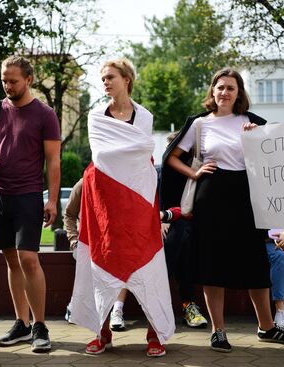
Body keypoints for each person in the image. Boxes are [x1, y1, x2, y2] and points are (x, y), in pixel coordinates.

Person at [162, 67, 284, 353]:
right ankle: (218, 331)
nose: (225, 92)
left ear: (239, 93)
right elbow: (171, 157)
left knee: (255, 262)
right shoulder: (200, 124)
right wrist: (194, 172)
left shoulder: (252, 122)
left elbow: (275, 160)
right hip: (211, 198)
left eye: (231, 88)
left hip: (247, 198)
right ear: (212, 91)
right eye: (220, 87)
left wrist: (256, 139)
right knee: (213, 264)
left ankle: (267, 327)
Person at [70, 58, 175, 357]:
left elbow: (140, 152)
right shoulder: (95, 116)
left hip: (138, 199)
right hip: (101, 200)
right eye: (102, 78)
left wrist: (122, 155)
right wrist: (123, 154)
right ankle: (101, 333)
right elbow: (102, 155)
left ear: (126, 79)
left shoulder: (144, 116)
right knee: (99, 260)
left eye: (110, 77)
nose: (105, 82)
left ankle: (155, 333)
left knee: (147, 263)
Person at [0, 56, 61, 353]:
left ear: (29, 80)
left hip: (28, 194)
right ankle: (21, 323)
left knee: (29, 259)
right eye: (4, 80)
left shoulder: (45, 114)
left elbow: (53, 161)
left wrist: (52, 200)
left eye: (13, 81)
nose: (8, 85)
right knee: (11, 260)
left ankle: (40, 325)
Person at [63, 177, 129, 331]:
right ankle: (77, 305)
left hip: (114, 241)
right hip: (88, 242)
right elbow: (69, 214)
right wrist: (74, 241)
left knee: (123, 260)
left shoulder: (120, 181)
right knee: (87, 261)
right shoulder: (83, 183)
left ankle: (117, 310)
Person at [161, 133, 208, 329]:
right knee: (179, 238)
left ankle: (162, 299)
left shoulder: (200, 171)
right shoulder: (160, 173)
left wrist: (167, 215)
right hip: (169, 229)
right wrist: (162, 218)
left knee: (181, 235)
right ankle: (188, 304)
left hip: (194, 227)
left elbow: (194, 209)